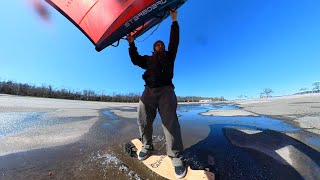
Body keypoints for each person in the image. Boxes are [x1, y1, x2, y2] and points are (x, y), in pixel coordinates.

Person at [126, 10, 186, 179]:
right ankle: (147, 145)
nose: (159, 46)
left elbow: (174, 41)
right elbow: (135, 59)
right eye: (157, 45)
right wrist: (131, 43)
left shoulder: (169, 56)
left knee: (170, 122)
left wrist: (174, 21)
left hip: (166, 90)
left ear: (164, 48)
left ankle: (175, 156)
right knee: (143, 118)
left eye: (161, 44)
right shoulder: (148, 60)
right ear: (154, 49)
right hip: (149, 91)